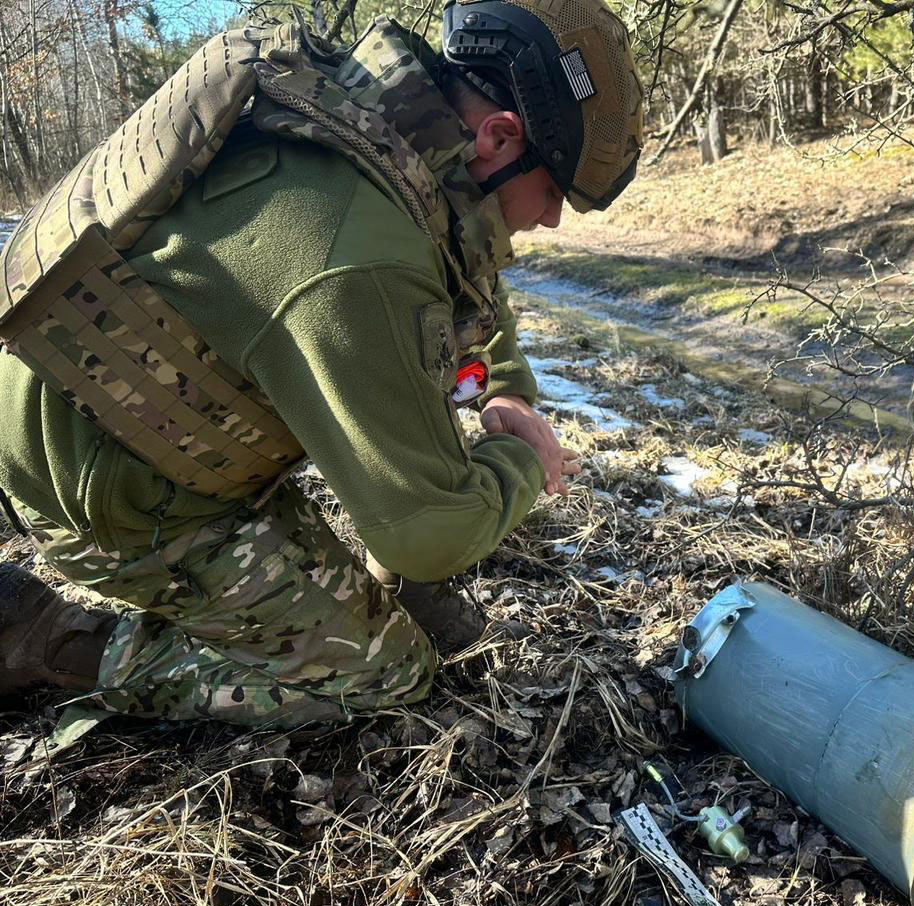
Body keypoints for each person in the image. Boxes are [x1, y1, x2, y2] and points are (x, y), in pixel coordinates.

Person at [0, 0, 643, 726]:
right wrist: (522, 462)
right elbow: (427, 535)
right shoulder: (361, 256)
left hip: (119, 413)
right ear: (499, 137)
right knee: (383, 672)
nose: (551, 220)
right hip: (105, 484)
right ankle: (50, 641)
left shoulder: (378, 129)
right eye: (553, 192)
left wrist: (510, 389)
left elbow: (469, 279)